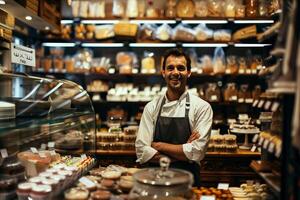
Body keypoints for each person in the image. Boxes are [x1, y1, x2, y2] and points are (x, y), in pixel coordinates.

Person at [135, 48, 213, 186]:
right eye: (170, 68)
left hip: (188, 183)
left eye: (181, 68)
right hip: (155, 182)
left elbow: (197, 151)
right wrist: (184, 154)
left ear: (188, 72)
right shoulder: (151, 107)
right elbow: (142, 150)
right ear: (163, 72)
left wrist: (158, 145)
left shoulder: (202, 107)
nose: (175, 72)